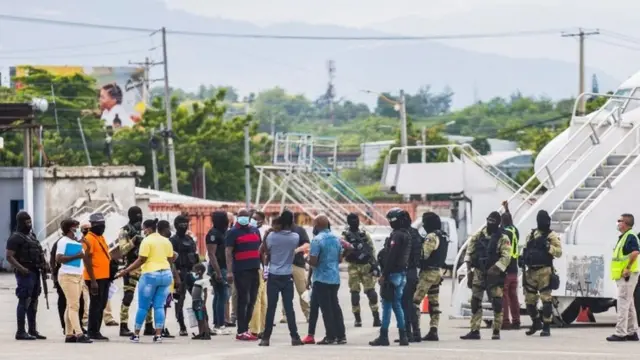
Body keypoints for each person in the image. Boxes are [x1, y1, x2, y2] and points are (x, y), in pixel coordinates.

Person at [115, 219, 180, 343]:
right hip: (166, 275)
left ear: (149, 229)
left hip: (150, 276)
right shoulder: (166, 241)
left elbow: (141, 260)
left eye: (144, 229)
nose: (143, 231)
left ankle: (136, 335)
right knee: (159, 306)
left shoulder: (146, 240)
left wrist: (125, 271)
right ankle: (158, 335)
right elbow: (172, 257)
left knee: (143, 307)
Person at [460, 211, 511, 340]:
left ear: (498, 223)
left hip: (494, 274)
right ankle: (475, 330)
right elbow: (469, 252)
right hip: (478, 272)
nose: (490, 223)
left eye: (493, 221)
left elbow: (506, 257)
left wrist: (494, 269)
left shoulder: (503, 238)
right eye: (489, 220)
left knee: (497, 303)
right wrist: (469, 272)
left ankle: (496, 330)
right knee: (475, 302)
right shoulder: (478, 235)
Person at [258, 216, 304, 347]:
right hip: (287, 275)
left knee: (271, 307)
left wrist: (267, 235)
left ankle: (265, 338)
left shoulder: (271, 236)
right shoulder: (295, 237)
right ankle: (294, 337)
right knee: (289, 308)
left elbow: (262, 251)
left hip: (273, 275)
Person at [369, 208, 411, 347]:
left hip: (392, 275)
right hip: (402, 274)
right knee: (397, 305)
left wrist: (384, 275)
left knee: (387, 306)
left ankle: (384, 335)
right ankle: (403, 335)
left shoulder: (397, 236)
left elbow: (391, 256)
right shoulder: (407, 235)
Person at [6, 211, 48, 340]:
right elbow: (9, 256)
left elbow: (39, 252)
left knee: (34, 300)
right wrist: (22, 268)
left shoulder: (32, 236)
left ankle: (32, 330)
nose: (29, 224)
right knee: (24, 299)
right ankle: (20, 331)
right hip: (25, 273)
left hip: (35, 272)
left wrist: (45, 265)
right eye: (26, 222)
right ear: (20, 222)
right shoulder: (15, 237)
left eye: (30, 222)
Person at [520, 210, 562, 337]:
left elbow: (559, 252)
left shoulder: (551, 235)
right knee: (529, 301)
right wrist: (521, 259)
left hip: (545, 271)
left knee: (546, 299)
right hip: (531, 271)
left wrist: (548, 247)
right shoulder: (532, 234)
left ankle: (547, 326)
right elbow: (526, 249)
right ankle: (536, 322)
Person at [309, 214, 347, 345]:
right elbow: (340, 258)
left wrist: (305, 258)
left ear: (318, 226)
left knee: (326, 309)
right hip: (334, 278)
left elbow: (313, 262)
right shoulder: (337, 239)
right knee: (335, 307)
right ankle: (341, 335)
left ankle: (330, 336)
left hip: (321, 278)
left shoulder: (317, 240)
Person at [225, 208, 262, 341]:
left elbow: (260, 249)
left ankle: (245, 328)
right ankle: (241, 330)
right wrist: (229, 271)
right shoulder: (232, 232)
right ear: (237, 217)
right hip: (241, 270)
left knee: (252, 299)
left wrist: (263, 266)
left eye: (246, 216)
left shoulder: (255, 230)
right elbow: (228, 252)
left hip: (254, 269)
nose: (244, 218)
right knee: (243, 299)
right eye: (241, 216)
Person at [118, 206, 153, 336]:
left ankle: (149, 326)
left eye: (140, 214)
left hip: (146, 266)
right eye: (136, 215)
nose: (139, 217)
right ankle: (123, 326)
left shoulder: (145, 230)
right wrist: (133, 241)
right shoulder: (125, 230)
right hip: (131, 266)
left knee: (148, 296)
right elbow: (122, 250)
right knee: (128, 296)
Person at [55, 219, 93, 344]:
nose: (78, 230)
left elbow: (85, 256)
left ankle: (69, 334)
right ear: (71, 229)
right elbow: (59, 259)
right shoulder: (63, 241)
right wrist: (76, 256)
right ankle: (79, 333)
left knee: (70, 305)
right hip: (67, 276)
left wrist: (86, 244)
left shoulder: (76, 242)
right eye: (76, 227)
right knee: (74, 306)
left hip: (78, 275)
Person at [412, 212, 447, 342]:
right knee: (434, 302)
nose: (424, 226)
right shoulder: (443, 235)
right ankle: (433, 330)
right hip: (438, 272)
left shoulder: (431, 236)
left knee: (414, 301)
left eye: (425, 223)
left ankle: (415, 332)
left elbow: (423, 255)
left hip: (428, 273)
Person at [342, 213, 381, 328]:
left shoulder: (350, 235)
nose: (355, 222)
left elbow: (371, 251)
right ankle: (367, 318)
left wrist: (374, 265)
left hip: (360, 266)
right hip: (358, 265)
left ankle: (367, 319)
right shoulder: (361, 235)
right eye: (354, 220)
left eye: (356, 220)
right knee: (360, 292)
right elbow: (372, 251)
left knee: (364, 292)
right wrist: (374, 264)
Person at [606, 213, 639, 341]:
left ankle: (620, 333)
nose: (618, 223)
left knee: (623, 304)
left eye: (619, 220)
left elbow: (635, 252)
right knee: (629, 304)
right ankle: (632, 332)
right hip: (624, 276)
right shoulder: (625, 236)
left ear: (625, 223)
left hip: (627, 276)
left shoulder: (630, 236)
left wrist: (627, 268)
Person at [82, 213, 112, 341]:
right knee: (96, 305)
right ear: (93, 225)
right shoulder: (89, 239)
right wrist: (93, 281)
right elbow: (87, 260)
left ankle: (96, 330)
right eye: (100, 225)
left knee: (102, 304)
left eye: (103, 225)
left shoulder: (100, 237)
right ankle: (92, 331)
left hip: (104, 277)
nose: (102, 227)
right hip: (95, 278)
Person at [170, 215, 199, 336]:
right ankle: (182, 326)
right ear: (176, 225)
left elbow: (195, 256)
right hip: (179, 274)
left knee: (198, 300)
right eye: (181, 224)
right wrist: (176, 277)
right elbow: (171, 261)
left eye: (185, 224)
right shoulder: (172, 241)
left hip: (191, 274)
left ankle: (202, 326)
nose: (184, 226)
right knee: (179, 302)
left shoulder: (190, 239)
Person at [281, 212, 311, 323]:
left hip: (298, 264)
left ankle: (308, 313)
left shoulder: (299, 230)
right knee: (286, 291)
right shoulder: (280, 230)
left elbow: (307, 244)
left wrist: (297, 250)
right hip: (284, 264)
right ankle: (285, 315)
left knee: (302, 290)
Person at [398, 210, 422, 343]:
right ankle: (416, 332)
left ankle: (407, 333)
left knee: (404, 303)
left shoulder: (404, 235)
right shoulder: (415, 233)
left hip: (406, 271)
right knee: (410, 303)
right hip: (414, 271)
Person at [206, 211, 232, 335]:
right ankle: (220, 324)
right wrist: (218, 272)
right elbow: (212, 254)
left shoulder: (224, 232)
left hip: (223, 267)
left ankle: (217, 323)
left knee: (218, 295)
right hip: (218, 268)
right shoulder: (213, 234)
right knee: (222, 295)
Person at [500, 201, 521, 330]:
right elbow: (510, 222)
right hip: (515, 268)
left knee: (504, 296)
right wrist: (507, 209)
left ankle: (505, 321)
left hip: (506, 268)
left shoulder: (504, 234)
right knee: (514, 296)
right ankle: (516, 321)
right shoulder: (514, 231)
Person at [249, 211, 268, 338]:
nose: (253, 220)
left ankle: (256, 329)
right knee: (260, 299)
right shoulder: (254, 231)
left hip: (257, 268)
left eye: (255, 219)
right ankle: (261, 327)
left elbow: (262, 252)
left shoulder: (260, 231)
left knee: (258, 299)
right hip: (257, 267)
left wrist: (264, 268)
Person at [157, 220, 176, 339]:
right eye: (168, 228)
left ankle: (160, 327)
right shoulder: (165, 242)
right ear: (164, 229)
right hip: (163, 275)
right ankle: (160, 328)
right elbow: (171, 259)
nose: (170, 231)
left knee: (162, 304)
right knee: (162, 304)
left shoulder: (156, 241)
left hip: (158, 274)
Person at [190, 262, 212, 340]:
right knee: (199, 318)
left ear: (199, 271)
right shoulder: (196, 281)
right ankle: (201, 333)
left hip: (200, 302)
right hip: (195, 302)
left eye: (194, 271)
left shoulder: (204, 281)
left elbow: (205, 293)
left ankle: (206, 333)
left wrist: (204, 303)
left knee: (203, 318)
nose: (193, 272)